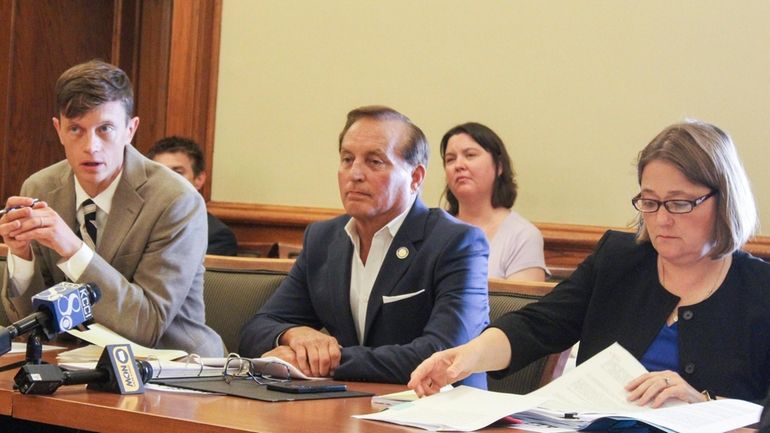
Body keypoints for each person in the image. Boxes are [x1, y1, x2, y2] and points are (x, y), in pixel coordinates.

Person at [410, 120, 770, 405]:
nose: (661, 220)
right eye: (649, 201)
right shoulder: (619, 259)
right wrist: (464, 358)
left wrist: (702, 403)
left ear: (723, 201)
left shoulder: (759, 289)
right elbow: (538, 325)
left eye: (678, 203)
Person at [238, 105, 490, 386]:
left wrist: (328, 361)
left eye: (375, 162)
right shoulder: (323, 238)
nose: (355, 173)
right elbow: (257, 328)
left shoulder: (457, 242)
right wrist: (294, 335)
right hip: (349, 407)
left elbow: (443, 353)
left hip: (438, 413)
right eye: (347, 159)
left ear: (415, 178)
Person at [0, 60, 223, 357]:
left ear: (130, 129)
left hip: (169, 367)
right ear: (59, 130)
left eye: (105, 128)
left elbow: (147, 324)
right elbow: (28, 324)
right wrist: (22, 256)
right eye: (76, 129)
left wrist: (72, 249)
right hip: (72, 361)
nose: (91, 146)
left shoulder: (176, 200)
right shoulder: (40, 188)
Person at [441, 122, 547, 281]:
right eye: (450, 159)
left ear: (499, 166)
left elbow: (519, 303)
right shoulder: (433, 230)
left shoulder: (523, 236)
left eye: (470, 155)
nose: (458, 165)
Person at [147, 136, 238, 256]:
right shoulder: (138, 225)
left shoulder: (216, 236)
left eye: (177, 173)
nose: (167, 180)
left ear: (199, 179)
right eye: (160, 172)